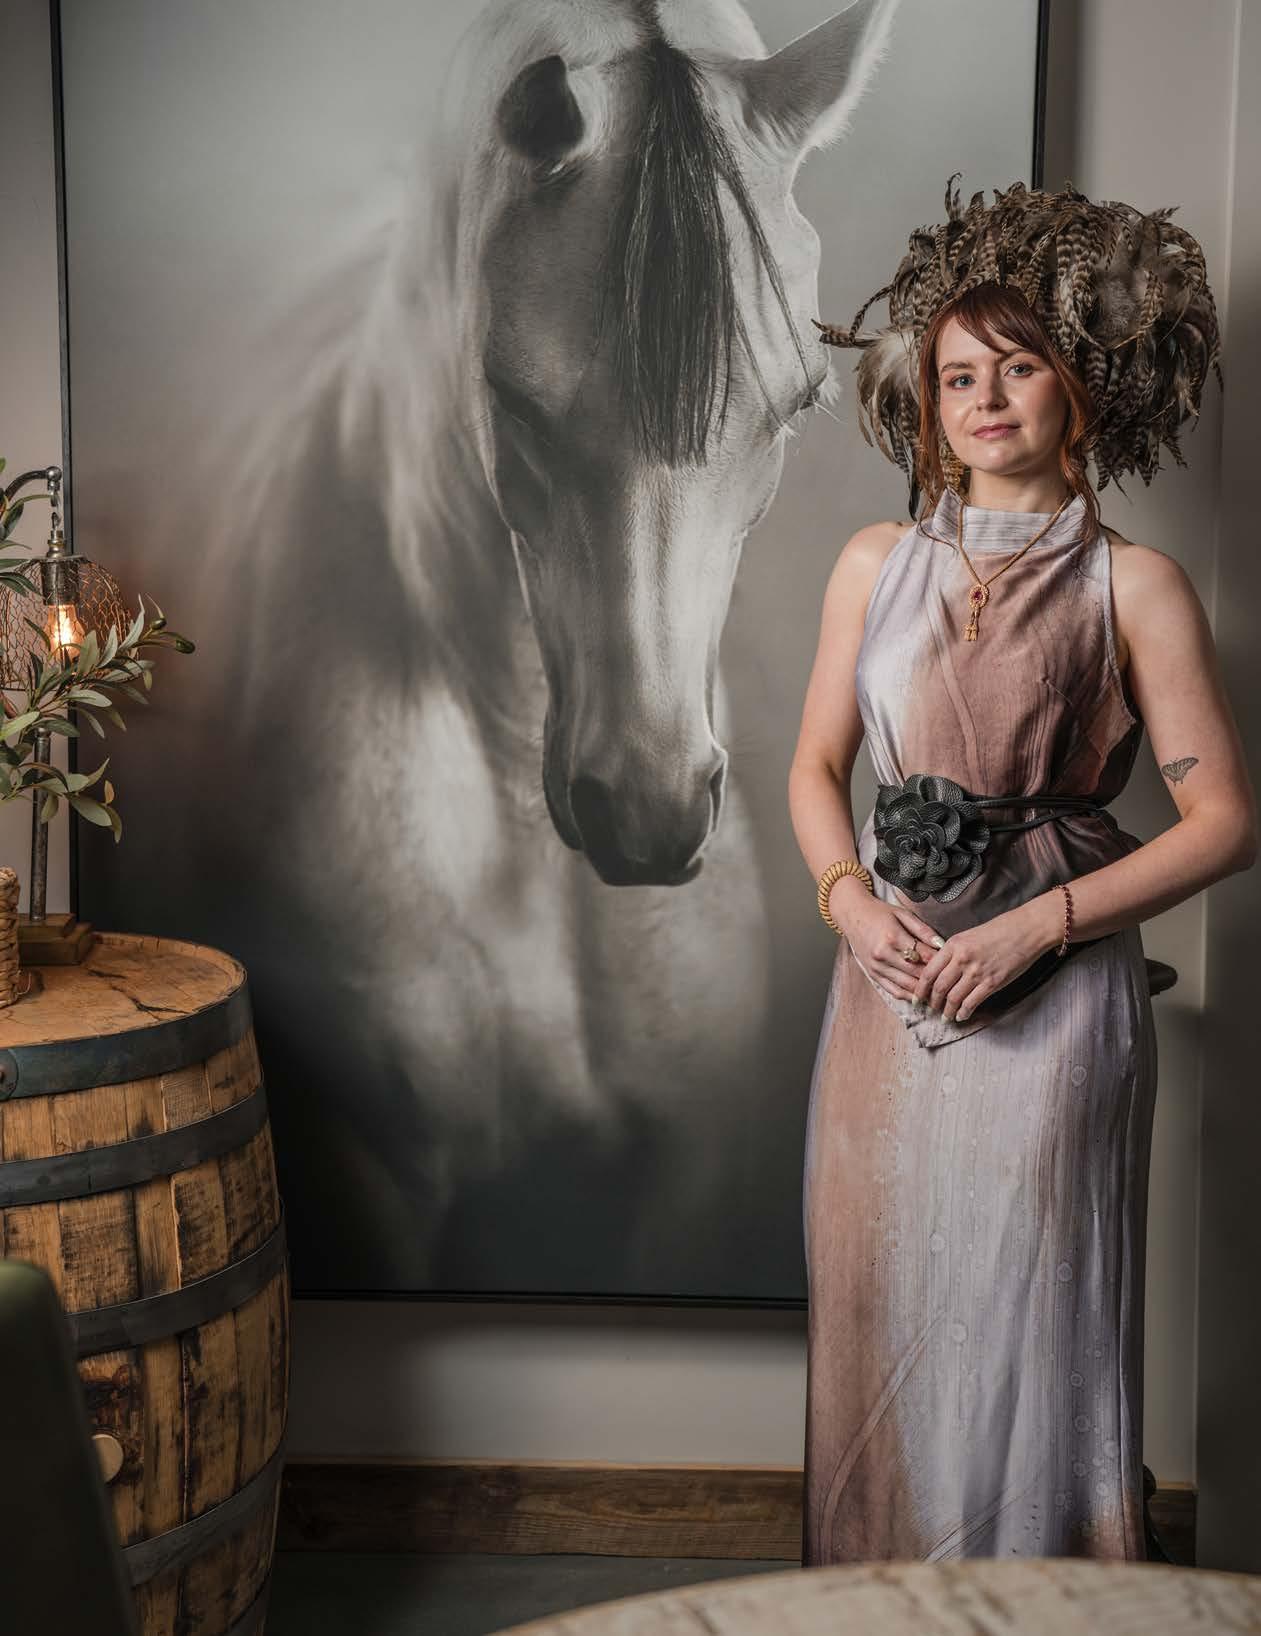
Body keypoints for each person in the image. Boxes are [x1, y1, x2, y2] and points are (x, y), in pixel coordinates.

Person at [788, 177, 1257, 1562]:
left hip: (1057, 1002)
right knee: (877, 1300)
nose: (984, 398)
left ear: (1079, 389)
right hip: (884, 987)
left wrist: (1038, 926)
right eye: (956, 375)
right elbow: (813, 769)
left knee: (1031, 1310)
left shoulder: (1137, 584)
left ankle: (1050, 1604)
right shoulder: (872, 561)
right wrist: (848, 904)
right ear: (926, 403)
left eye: (1017, 366)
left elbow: (1223, 821)